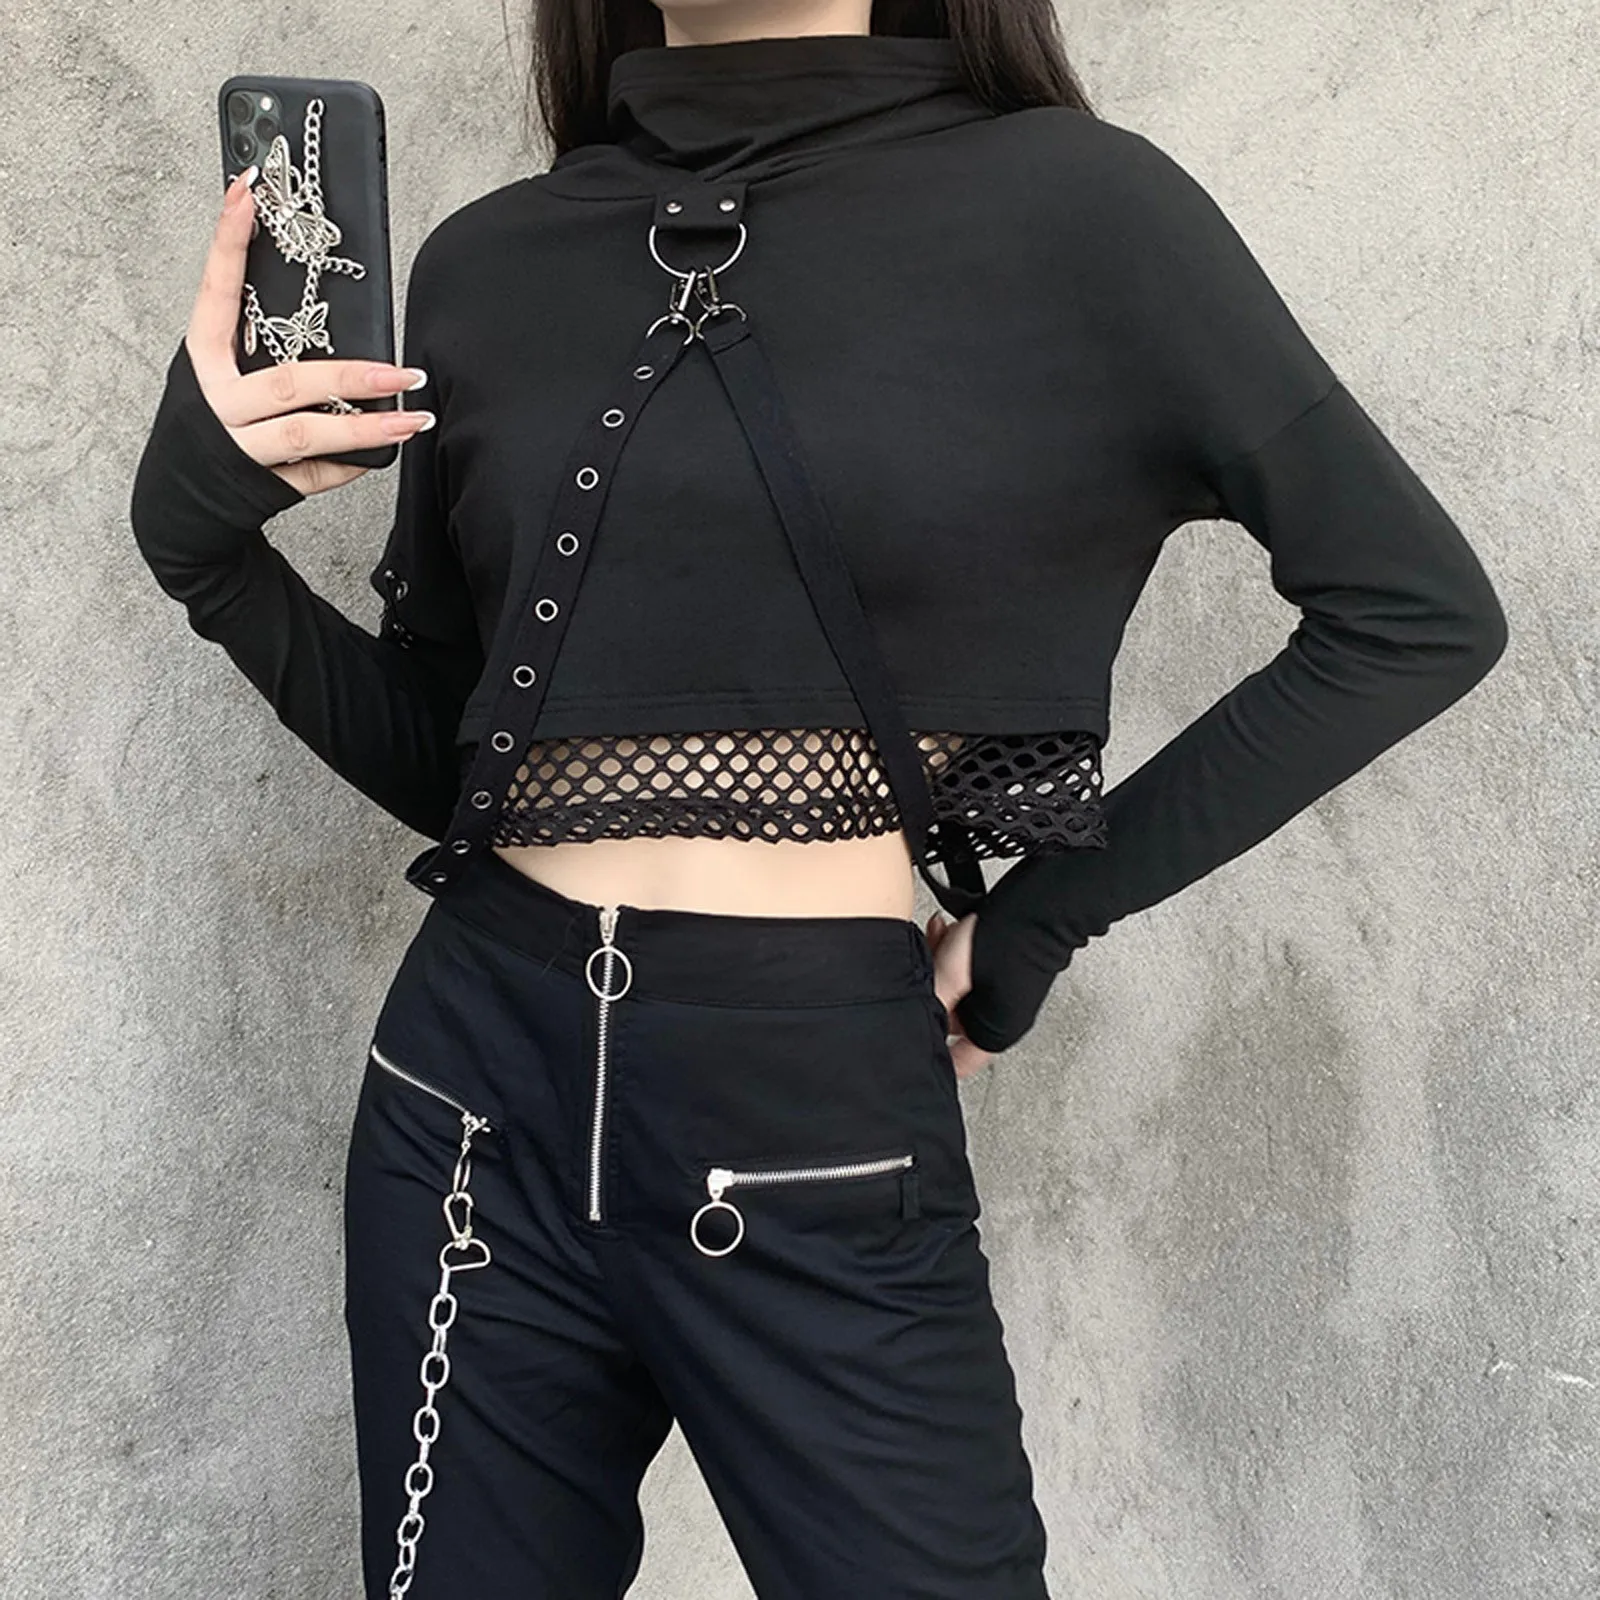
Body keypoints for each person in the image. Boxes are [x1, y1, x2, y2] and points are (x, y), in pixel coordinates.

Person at [128, 1, 1508, 1595]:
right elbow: (465, 770)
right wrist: (202, 552)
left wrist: (1042, 919)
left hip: (810, 1113)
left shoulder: (1089, 211)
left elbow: (1414, 614)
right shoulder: (489, 260)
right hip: (464, 1104)